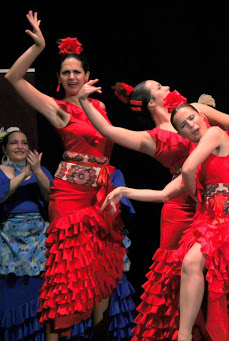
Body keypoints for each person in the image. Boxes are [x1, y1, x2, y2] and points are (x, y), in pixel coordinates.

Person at [79, 80, 229, 340]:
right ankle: (177, 332)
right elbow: (109, 132)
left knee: (211, 275)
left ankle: (212, 331)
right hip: (184, 202)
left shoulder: (192, 112)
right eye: (158, 86)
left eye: (192, 120)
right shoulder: (154, 136)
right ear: (151, 102)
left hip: (214, 201)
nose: (166, 86)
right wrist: (84, 102)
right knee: (178, 273)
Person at [5, 11, 127, 339]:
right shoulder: (58, 108)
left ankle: (99, 335)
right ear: (60, 78)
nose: (72, 76)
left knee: (101, 271)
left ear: (88, 75)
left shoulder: (98, 107)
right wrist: (38, 48)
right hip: (71, 198)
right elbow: (14, 79)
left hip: (101, 196)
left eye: (77, 71)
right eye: (66, 72)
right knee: (67, 277)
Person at [0, 128, 52, 341]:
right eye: (14, 143)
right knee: (11, 295)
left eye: (24, 142)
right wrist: (23, 173)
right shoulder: (1, 170)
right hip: (8, 239)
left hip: (37, 238)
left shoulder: (39, 169)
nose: (20, 146)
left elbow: (51, 197)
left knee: (37, 293)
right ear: (4, 148)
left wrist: (37, 171)